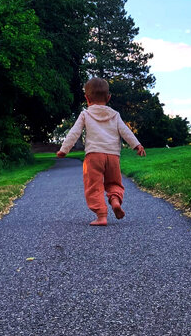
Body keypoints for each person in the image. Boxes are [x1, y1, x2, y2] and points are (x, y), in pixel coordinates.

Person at [56, 77, 146, 226]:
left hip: (94, 156)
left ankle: (102, 216)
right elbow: (125, 131)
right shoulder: (115, 115)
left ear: (86, 98)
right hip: (113, 157)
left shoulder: (85, 114)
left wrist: (64, 150)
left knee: (94, 186)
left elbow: (74, 132)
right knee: (114, 182)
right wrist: (137, 145)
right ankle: (115, 200)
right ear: (108, 97)